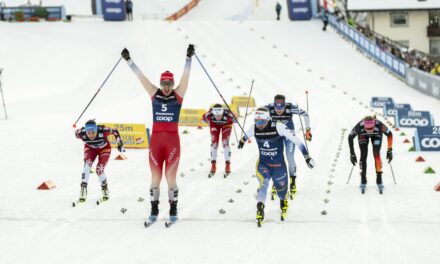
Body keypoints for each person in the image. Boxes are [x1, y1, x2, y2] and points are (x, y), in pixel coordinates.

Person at [121, 44, 195, 224]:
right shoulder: (154, 94)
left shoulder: (178, 95)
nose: (167, 87)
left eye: (170, 83)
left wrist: (188, 58)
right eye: (164, 83)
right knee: (155, 179)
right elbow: (142, 78)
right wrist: (129, 60)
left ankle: (173, 210)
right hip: (155, 142)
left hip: (172, 143)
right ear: (161, 83)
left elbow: (185, 78)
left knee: (170, 178)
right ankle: (153, 211)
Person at [238, 107, 315, 227]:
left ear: (268, 119)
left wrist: (306, 157)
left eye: (262, 122)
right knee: (263, 184)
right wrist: (241, 141)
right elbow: (245, 136)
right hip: (263, 164)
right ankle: (260, 208)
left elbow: (297, 140)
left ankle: (283, 200)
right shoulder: (254, 128)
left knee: (282, 191)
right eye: (257, 121)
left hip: (279, 166)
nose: (259, 125)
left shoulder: (278, 126)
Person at [265, 94, 311, 200]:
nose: (279, 109)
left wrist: (308, 130)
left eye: (282, 106)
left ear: (285, 105)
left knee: (290, 156)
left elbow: (305, 114)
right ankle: (276, 181)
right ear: (274, 105)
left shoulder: (290, 108)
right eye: (277, 106)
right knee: (276, 157)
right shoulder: (269, 107)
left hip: (289, 134)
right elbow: (258, 112)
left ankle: (292, 182)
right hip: (276, 135)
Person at [75, 120, 124, 202]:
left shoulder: (103, 130)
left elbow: (115, 131)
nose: (91, 135)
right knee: (87, 166)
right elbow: (76, 132)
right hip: (90, 149)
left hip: (104, 149)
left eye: (93, 132)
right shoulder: (81, 133)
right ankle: (83, 189)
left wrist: (120, 143)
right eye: (88, 132)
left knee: (99, 170)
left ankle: (105, 189)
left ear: (96, 130)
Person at [348, 116, 393, 193]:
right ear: (364, 125)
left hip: (376, 135)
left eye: (371, 128)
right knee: (363, 154)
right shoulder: (359, 126)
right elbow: (350, 137)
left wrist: (389, 150)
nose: (369, 131)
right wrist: (352, 154)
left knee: (376, 154)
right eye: (367, 129)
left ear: (374, 124)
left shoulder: (379, 125)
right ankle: (363, 178)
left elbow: (390, 134)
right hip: (363, 135)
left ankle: (379, 178)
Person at [202, 104, 235, 178]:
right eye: (216, 115)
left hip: (226, 124)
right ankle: (213, 165)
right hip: (214, 125)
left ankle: (227, 165)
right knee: (214, 144)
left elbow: (235, 118)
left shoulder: (228, 115)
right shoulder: (209, 114)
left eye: (220, 115)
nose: (218, 117)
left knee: (225, 143)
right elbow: (203, 118)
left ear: (222, 112)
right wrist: (207, 121)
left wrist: (234, 118)